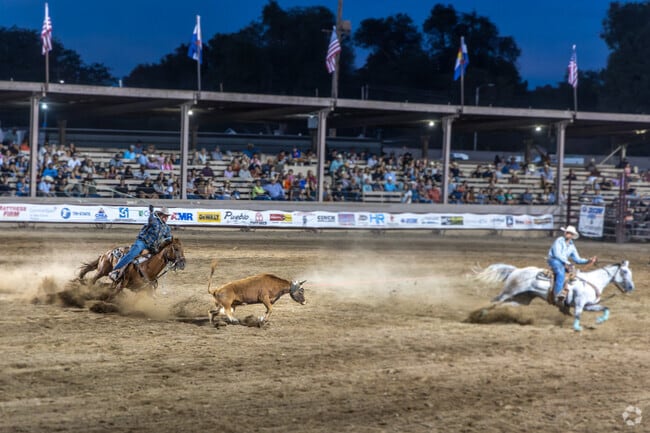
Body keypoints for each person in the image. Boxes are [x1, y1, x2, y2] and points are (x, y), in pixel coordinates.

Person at [109, 206, 172, 282]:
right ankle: (115, 270)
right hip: (142, 242)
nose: (166, 218)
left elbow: (169, 238)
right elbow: (150, 220)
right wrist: (151, 212)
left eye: (167, 216)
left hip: (152, 247)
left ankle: (149, 277)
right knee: (132, 254)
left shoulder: (166, 228)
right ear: (160, 215)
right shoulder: (154, 221)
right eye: (164, 216)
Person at [547, 225, 596, 308]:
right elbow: (557, 254)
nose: (567, 234)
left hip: (563, 262)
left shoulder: (572, 246)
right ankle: (557, 295)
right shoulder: (559, 240)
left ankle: (567, 293)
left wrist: (588, 260)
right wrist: (567, 263)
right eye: (567, 232)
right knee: (560, 272)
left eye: (570, 233)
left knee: (574, 275)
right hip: (554, 260)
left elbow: (577, 259)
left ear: (572, 236)